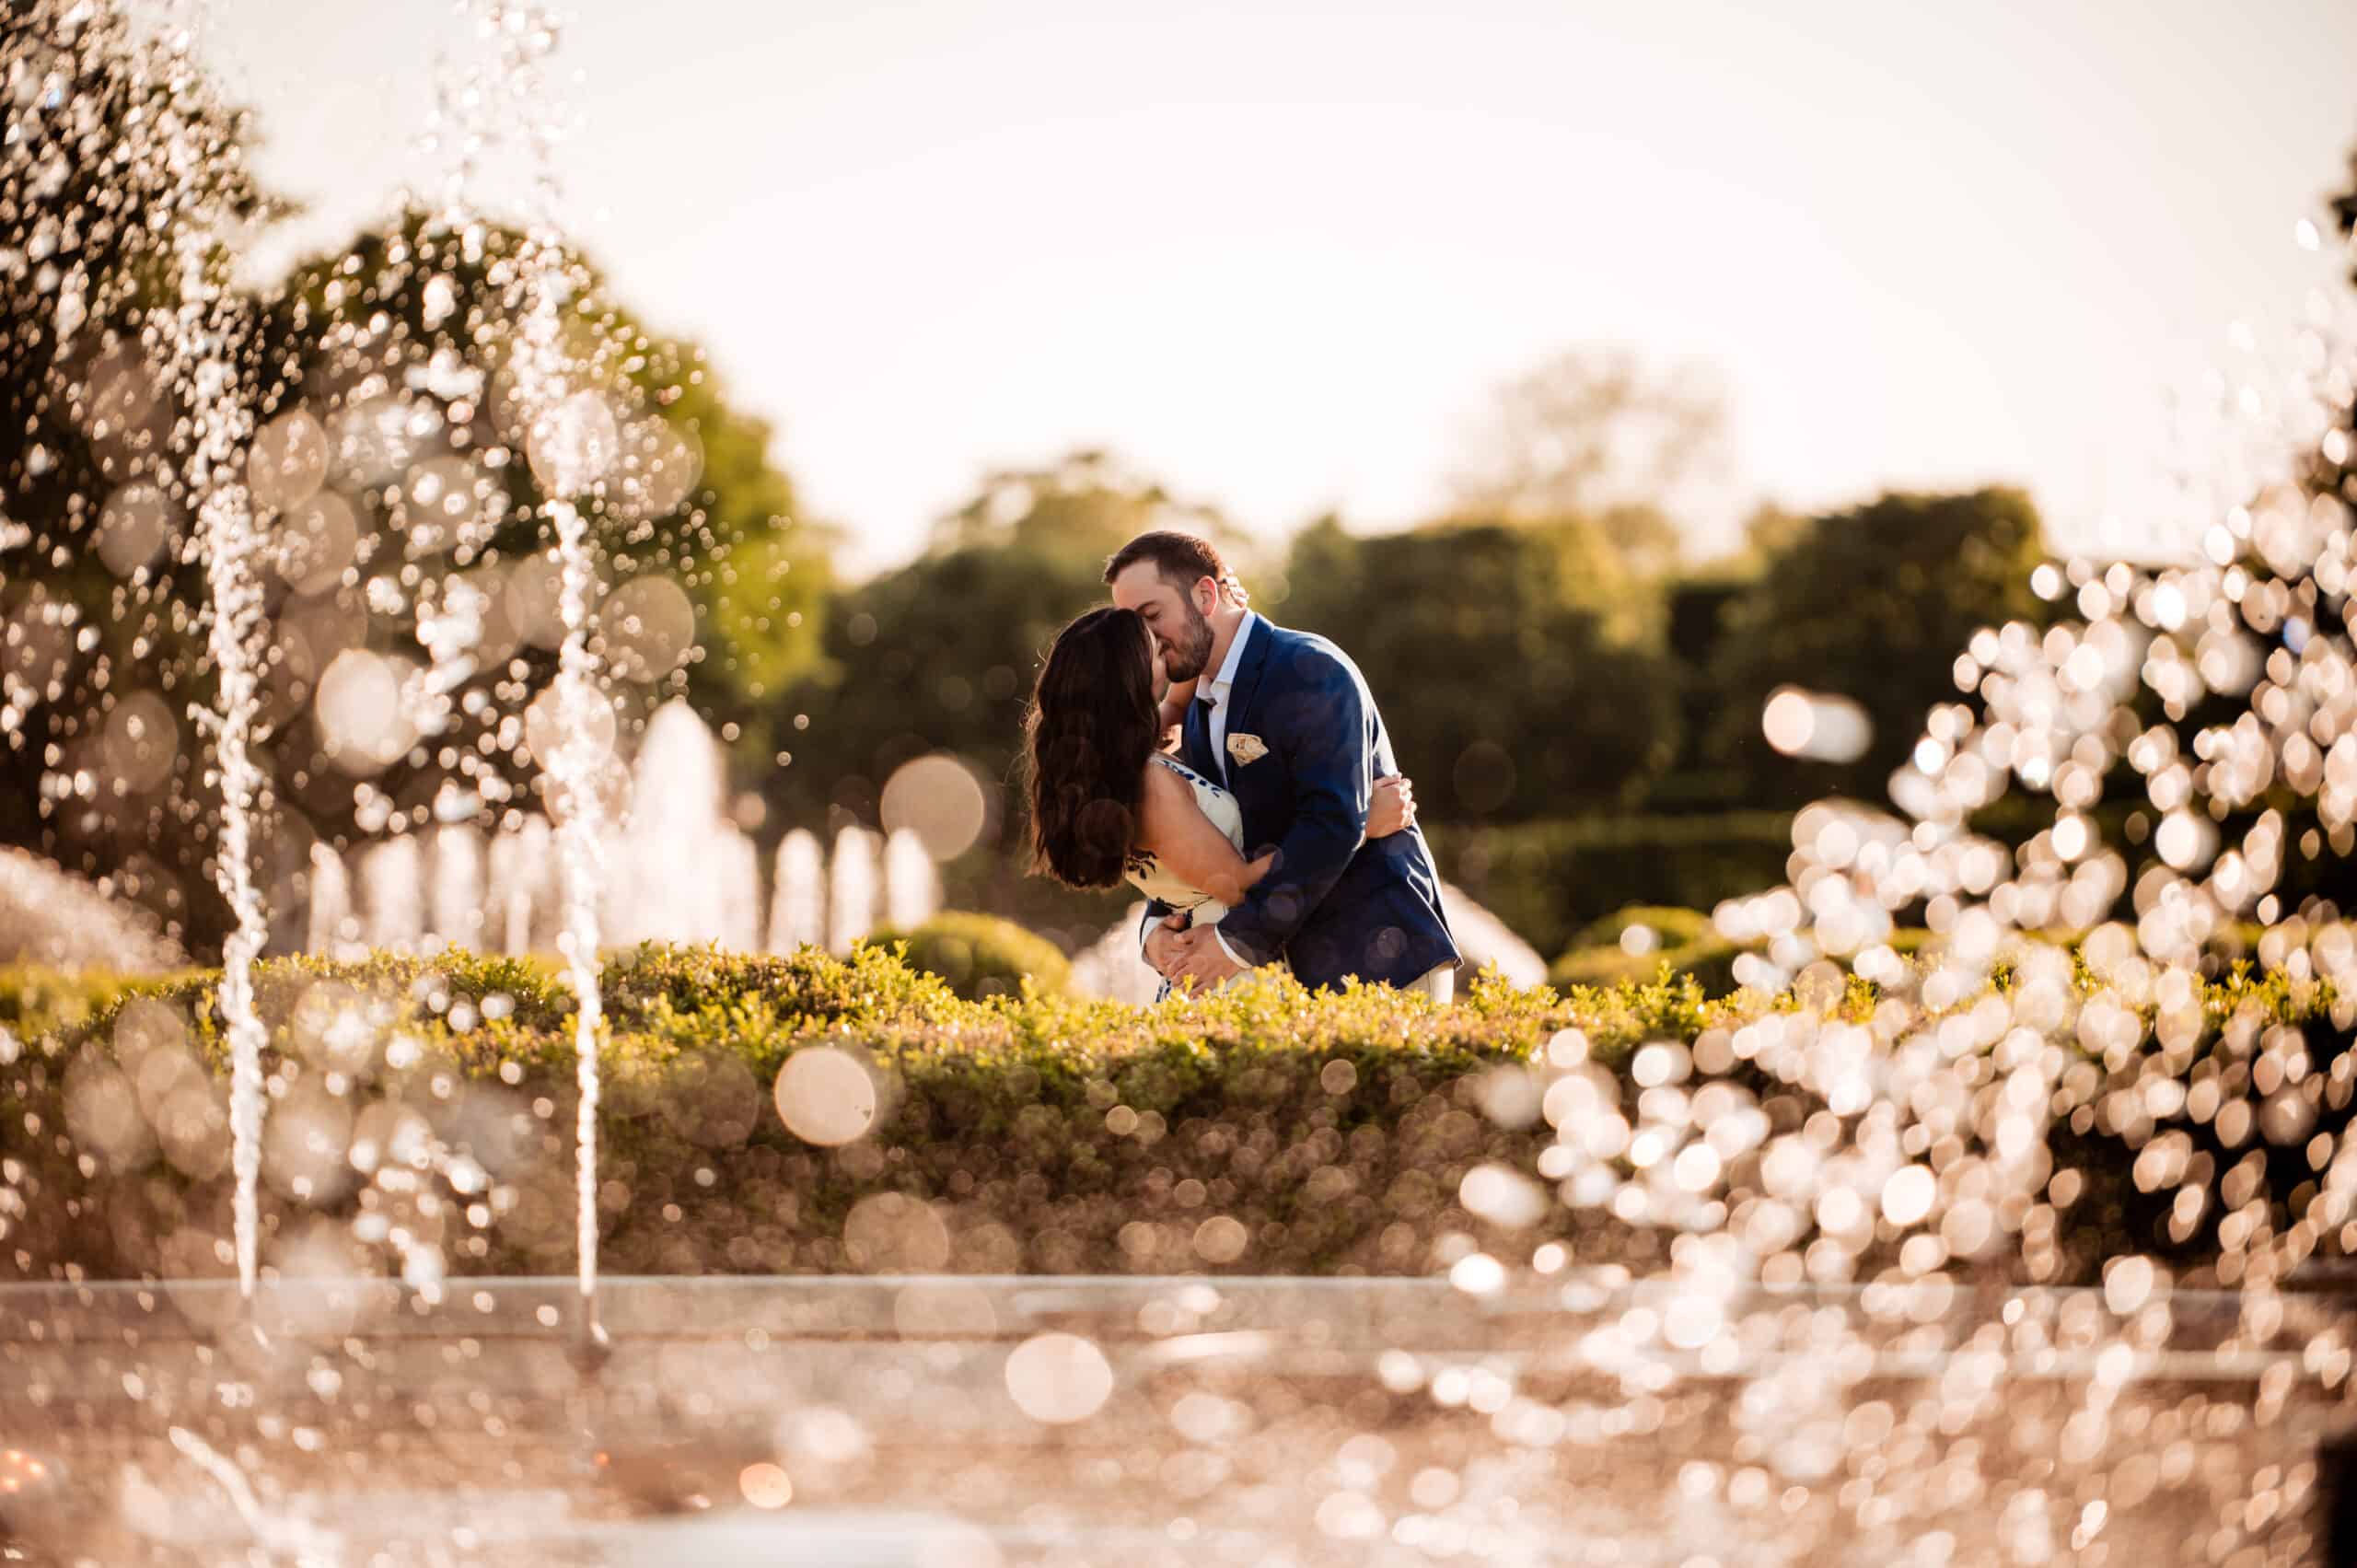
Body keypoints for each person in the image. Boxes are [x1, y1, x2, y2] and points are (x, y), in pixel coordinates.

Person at [1103, 529, 1460, 999]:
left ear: (1205, 595)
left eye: (1152, 617)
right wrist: (1156, 935)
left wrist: (1234, 943)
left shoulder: (1309, 670)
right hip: (1288, 981)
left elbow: (1332, 824)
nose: (1146, 641)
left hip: (1380, 961)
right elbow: (1195, 836)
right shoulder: (1192, 707)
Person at [1023, 605, 1418, 994]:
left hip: (1206, 964)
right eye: (1158, 650)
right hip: (1228, 973)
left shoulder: (1111, 770)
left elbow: (1182, 692)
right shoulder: (1153, 783)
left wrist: (1220, 610)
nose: (1170, 655)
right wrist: (1358, 825)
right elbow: (1238, 884)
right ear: (1130, 673)